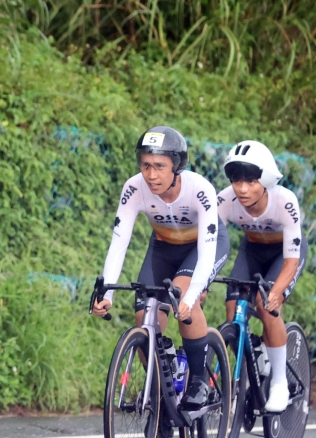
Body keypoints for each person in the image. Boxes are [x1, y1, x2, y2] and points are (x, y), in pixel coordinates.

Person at [92, 126, 229, 409]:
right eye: (145, 165)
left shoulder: (199, 189)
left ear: (176, 167)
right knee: (144, 314)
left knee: (181, 297)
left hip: (201, 248)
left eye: (159, 166)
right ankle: (161, 386)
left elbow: (206, 255)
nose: (151, 175)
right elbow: (119, 243)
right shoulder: (134, 187)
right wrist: (107, 293)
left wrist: (191, 298)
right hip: (163, 247)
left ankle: (198, 382)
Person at [218, 140, 307, 412]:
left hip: (285, 253)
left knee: (266, 306)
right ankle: (255, 354)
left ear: (265, 180)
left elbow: (292, 259)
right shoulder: (225, 200)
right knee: (232, 310)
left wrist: (276, 293)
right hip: (252, 248)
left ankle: (279, 382)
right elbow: (210, 243)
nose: (242, 189)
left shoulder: (284, 201)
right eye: (236, 180)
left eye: (251, 182)